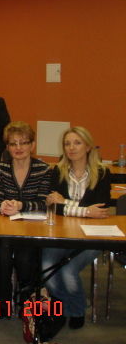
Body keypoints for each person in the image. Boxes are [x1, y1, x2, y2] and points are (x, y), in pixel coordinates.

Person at [42, 126, 111, 330]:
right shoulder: (58, 171)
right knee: (46, 266)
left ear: (88, 147)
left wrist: (66, 202)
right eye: (67, 144)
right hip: (62, 233)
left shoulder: (102, 172)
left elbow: (101, 210)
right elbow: (54, 206)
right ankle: (63, 308)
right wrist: (85, 210)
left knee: (68, 271)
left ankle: (78, 310)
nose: (71, 148)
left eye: (77, 143)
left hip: (92, 236)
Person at [0, 121, 51, 317]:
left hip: (33, 228)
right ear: (7, 147)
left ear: (32, 145)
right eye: (13, 143)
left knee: (25, 258)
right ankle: (4, 307)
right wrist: (2, 206)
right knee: (1, 257)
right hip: (5, 227)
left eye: (23, 143)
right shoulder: (0, 168)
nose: (18, 148)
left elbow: (43, 203)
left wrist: (20, 205)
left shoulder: (43, 169)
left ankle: (27, 306)